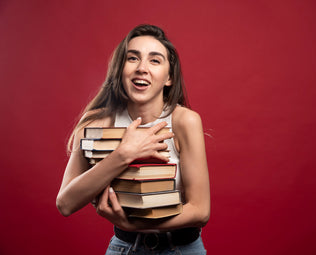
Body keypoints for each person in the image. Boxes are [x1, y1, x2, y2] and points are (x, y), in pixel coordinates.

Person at [56, 24, 210, 254]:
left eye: (155, 60)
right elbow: (65, 203)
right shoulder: (97, 123)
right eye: (132, 58)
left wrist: (135, 224)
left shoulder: (184, 121)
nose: (142, 68)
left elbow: (200, 211)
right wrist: (123, 154)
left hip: (182, 248)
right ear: (121, 69)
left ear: (169, 77)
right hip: (124, 248)